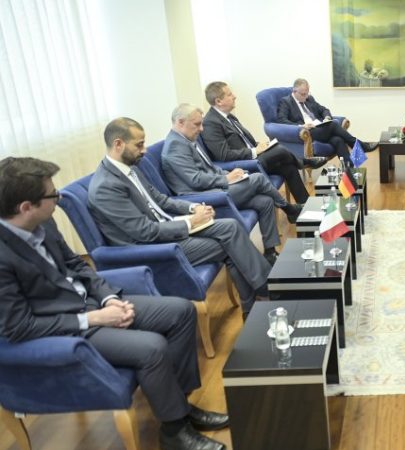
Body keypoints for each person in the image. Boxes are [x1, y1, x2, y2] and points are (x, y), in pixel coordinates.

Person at [0, 157, 228, 450]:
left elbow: (77, 265)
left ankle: (180, 407)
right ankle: (174, 432)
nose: (58, 199)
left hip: (95, 304)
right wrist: (94, 319)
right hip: (65, 328)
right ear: (26, 207)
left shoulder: (44, 221)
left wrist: (108, 298)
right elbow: (19, 327)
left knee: (181, 311)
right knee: (152, 347)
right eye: (52, 195)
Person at [88, 117, 271, 314]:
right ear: (118, 144)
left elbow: (161, 199)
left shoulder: (129, 169)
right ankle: (262, 294)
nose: (144, 150)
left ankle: (257, 300)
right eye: (139, 145)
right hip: (150, 248)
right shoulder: (106, 187)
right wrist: (190, 223)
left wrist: (193, 208)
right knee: (229, 243)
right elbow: (144, 232)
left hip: (166, 228)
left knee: (231, 227)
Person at [162, 103, 301, 264]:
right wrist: (226, 179)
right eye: (197, 124)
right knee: (257, 178)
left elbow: (210, 168)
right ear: (180, 122)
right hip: (203, 198)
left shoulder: (185, 139)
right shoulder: (175, 146)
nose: (201, 129)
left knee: (265, 201)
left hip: (215, 189)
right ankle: (288, 208)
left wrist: (228, 174)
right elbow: (195, 180)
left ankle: (270, 252)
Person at [201, 81, 326, 205]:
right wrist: (254, 151)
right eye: (229, 94)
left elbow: (244, 141)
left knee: (289, 167)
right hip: (244, 165)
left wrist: (259, 146)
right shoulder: (210, 123)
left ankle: (305, 205)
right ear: (218, 101)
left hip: (255, 157)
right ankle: (304, 162)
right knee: (279, 149)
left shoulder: (229, 117)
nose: (234, 96)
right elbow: (224, 155)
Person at [275, 78, 379, 164]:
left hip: (319, 129)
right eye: (303, 94)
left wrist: (327, 118)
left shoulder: (309, 99)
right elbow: (281, 120)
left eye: (307, 93)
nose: (306, 96)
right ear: (294, 91)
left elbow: (324, 110)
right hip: (306, 133)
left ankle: (349, 170)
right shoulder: (286, 102)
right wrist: (301, 126)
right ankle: (361, 145)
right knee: (333, 125)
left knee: (338, 140)